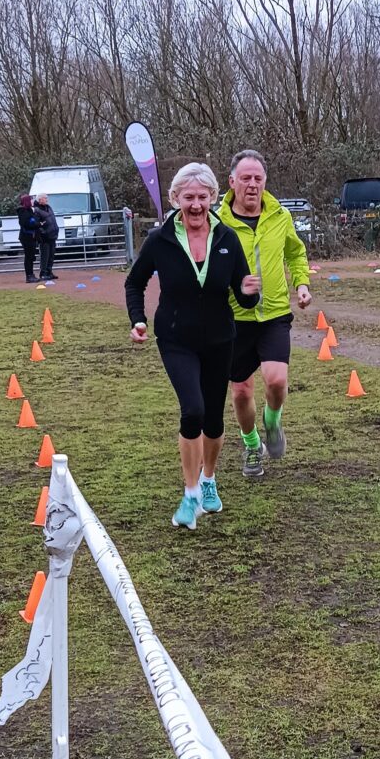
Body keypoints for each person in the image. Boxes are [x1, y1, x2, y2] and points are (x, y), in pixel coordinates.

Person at [125, 162, 260, 530]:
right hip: (176, 339)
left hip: (220, 339)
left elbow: (244, 298)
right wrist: (137, 319)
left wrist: (250, 291)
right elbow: (134, 283)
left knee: (213, 419)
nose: (197, 205)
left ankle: (209, 479)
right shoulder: (160, 239)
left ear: (213, 197)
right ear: (175, 199)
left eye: (203, 197)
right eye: (189, 197)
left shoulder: (227, 239)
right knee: (193, 411)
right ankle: (189, 494)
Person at [217, 149, 312, 478]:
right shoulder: (218, 222)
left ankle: (272, 423)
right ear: (232, 182)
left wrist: (302, 284)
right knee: (241, 391)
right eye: (245, 178)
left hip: (273, 314)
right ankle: (251, 444)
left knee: (277, 381)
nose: (252, 184)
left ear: (265, 182)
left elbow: (295, 253)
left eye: (258, 178)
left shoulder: (280, 216)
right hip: (233, 320)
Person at [34, 194, 60, 280]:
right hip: (44, 237)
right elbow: (37, 224)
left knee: (51, 255)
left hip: (52, 235)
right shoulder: (37, 210)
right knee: (44, 256)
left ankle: (49, 271)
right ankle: (43, 273)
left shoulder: (48, 208)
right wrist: (43, 232)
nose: (47, 200)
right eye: (45, 198)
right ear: (40, 199)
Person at [17, 194, 39, 283]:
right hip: (26, 237)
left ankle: (31, 274)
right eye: (30, 200)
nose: (32, 201)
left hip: (31, 236)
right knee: (28, 256)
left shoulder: (30, 210)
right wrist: (35, 224)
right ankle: (29, 275)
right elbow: (25, 224)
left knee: (31, 256)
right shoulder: (23, 211)